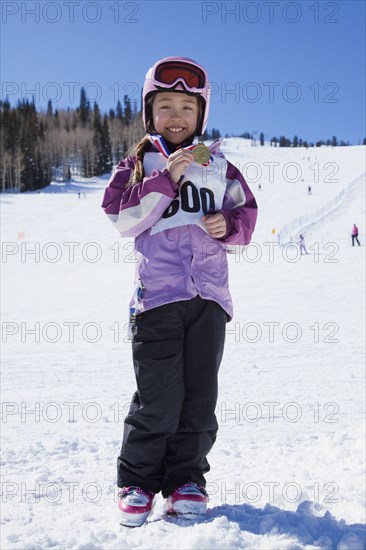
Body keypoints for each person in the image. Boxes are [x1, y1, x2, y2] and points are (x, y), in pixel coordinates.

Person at [101, 57, 258, 527]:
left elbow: (246, 220)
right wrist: (165, 178)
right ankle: (138, 482)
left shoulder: (220, 166)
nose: (175, 115)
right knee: (158, 397)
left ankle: (187, 479)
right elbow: (122, 219)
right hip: (158, 300)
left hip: (209, 299)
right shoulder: (139, 164)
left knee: (198, 397)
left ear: (200, 116)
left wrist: (226, 225)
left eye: (186, 107)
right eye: (164, 104)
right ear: (150, 113)